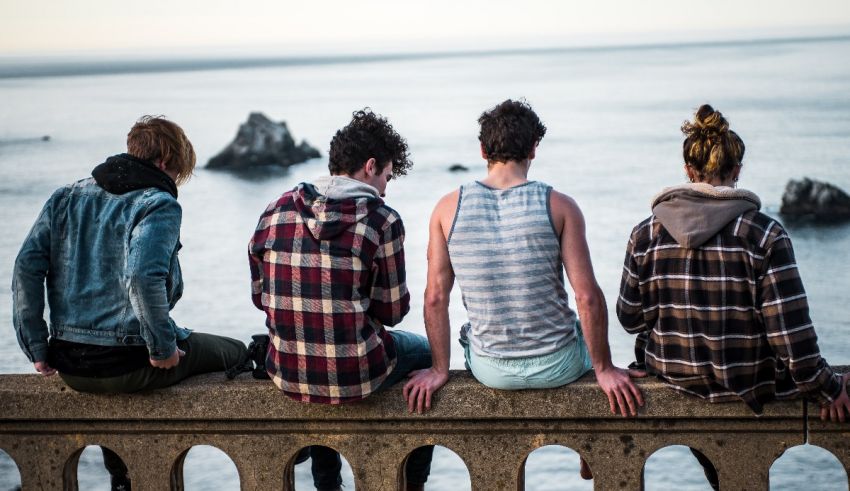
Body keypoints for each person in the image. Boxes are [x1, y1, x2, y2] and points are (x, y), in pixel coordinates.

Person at [402, 99, 645, 479]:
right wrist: (604, 367)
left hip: (490, 370)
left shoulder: (447, 209)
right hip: (559, 364)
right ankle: (587, 448)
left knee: (473, 333)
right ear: (534, 148)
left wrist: (437, 368)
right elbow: (587, 298)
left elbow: (435, 298)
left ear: (483, 151)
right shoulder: (560, 205)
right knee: (579, 335)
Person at [616, 104, 850, 488]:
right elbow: (790, 335)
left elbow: (629, 319)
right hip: (749, 380)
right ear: (737, 171)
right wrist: (829, 387)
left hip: (675, 376)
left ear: (689, 172)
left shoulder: (645, 234)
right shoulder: (764, 234)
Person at [12, 116, 250, 490]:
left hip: (71, 365)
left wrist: (37, 347)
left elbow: (26, 267)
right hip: (127, 361)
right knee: (236, 352)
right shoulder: (158, 204)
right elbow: (142, 277)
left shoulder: (65, 196)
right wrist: (162, 349)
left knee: (121, 374)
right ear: (166, 160)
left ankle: (120, 478)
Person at [249, 108, 433, 491]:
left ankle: (326, 484)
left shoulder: (276, 210)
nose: (386, 186)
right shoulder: (382, 220)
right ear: (370, 166)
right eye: (387, 175)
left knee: (315, 341)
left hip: (286, 369)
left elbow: (260, 297)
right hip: (356, 374)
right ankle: (411, 483)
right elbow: (394, 312)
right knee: (428, 356)